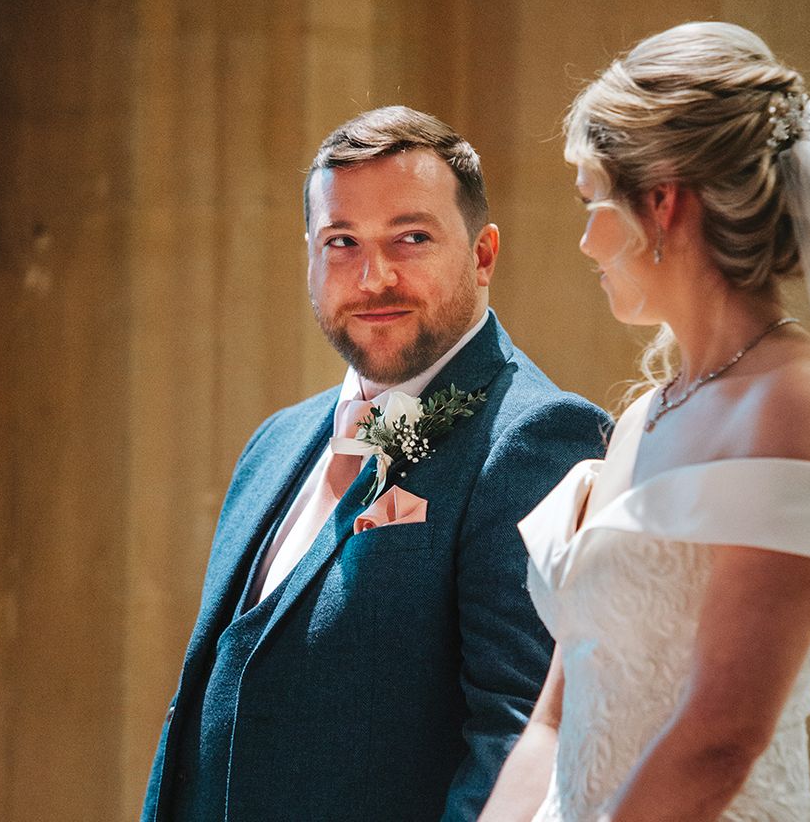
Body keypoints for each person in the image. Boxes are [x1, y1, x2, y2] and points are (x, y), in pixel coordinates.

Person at [482, 22, 810, 821]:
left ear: (662, 201)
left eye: (591, 202)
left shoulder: (802, 402)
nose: (584, 241)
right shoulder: (645, 415)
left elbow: (721, 734)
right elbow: (554, 720)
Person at [141, 106, 609, 822]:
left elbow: (518, 741)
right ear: (309, 256)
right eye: (341, 242)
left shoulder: (537, 435)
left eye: (411, 238)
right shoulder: (274, 442)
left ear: (483, 255)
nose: (373, 277)